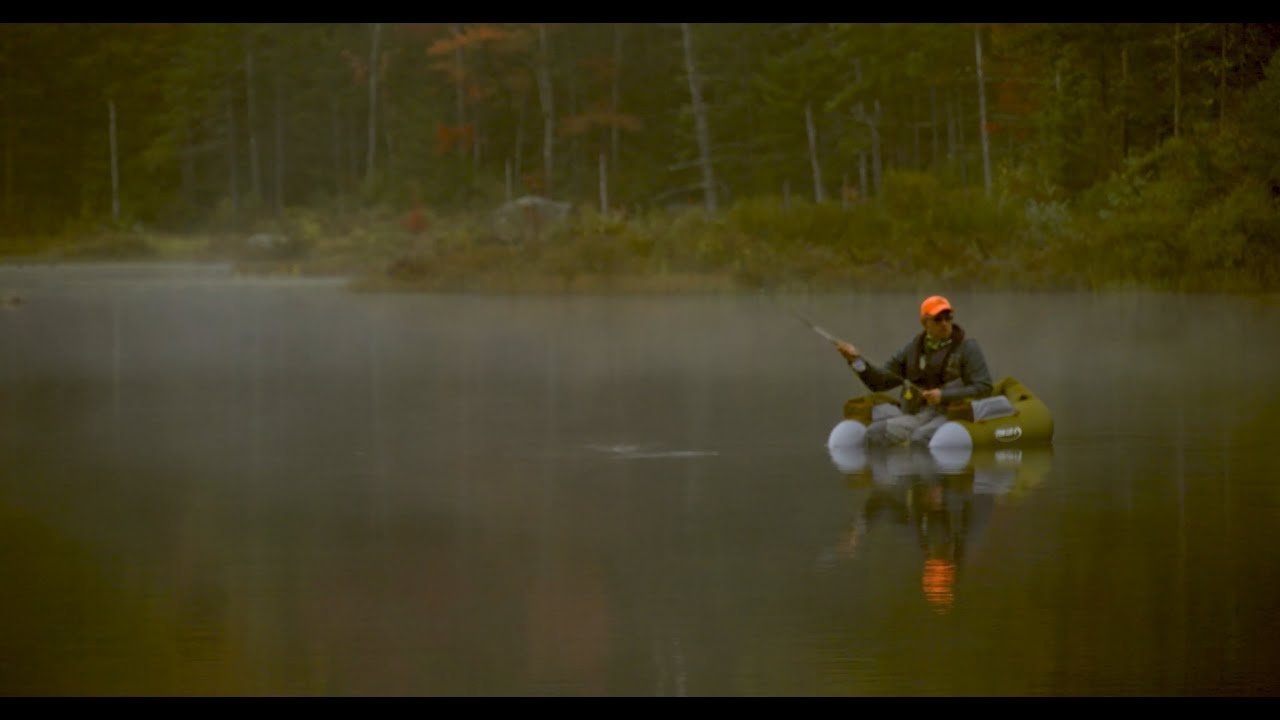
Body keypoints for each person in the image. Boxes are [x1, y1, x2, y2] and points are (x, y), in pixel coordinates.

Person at [834, 295, 993, 447]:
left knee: (921, 438)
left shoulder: (968, 348)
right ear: (925, 323)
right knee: (875, 433)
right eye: (938, 319)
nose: (944, 323)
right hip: (918, 415)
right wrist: (855, 361)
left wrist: (943, 396)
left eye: (948, 318)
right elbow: (879, 383)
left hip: (951, 415)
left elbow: (984, 388)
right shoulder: (912, 350)